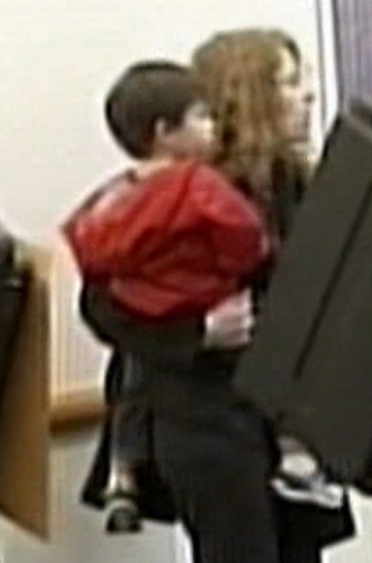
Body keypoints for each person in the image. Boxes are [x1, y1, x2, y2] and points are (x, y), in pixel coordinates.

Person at [79, 30, 355, 563]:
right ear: (249, 97)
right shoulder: (176, 193)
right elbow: (100, 306)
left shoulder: (296, 185)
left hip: (289, 420)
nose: (307, 95)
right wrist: (197, 332)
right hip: (209, 420)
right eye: (288, 82)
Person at [64, 60, 269, 534]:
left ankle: (123, 474)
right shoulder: (198, 184)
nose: (214, 126)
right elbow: (244, 232)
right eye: (202, 116)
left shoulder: (113, 197)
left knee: (133, 387)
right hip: (211, 372)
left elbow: (84, 252)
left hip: (147, 324)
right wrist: (234, 267)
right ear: (164, 132)